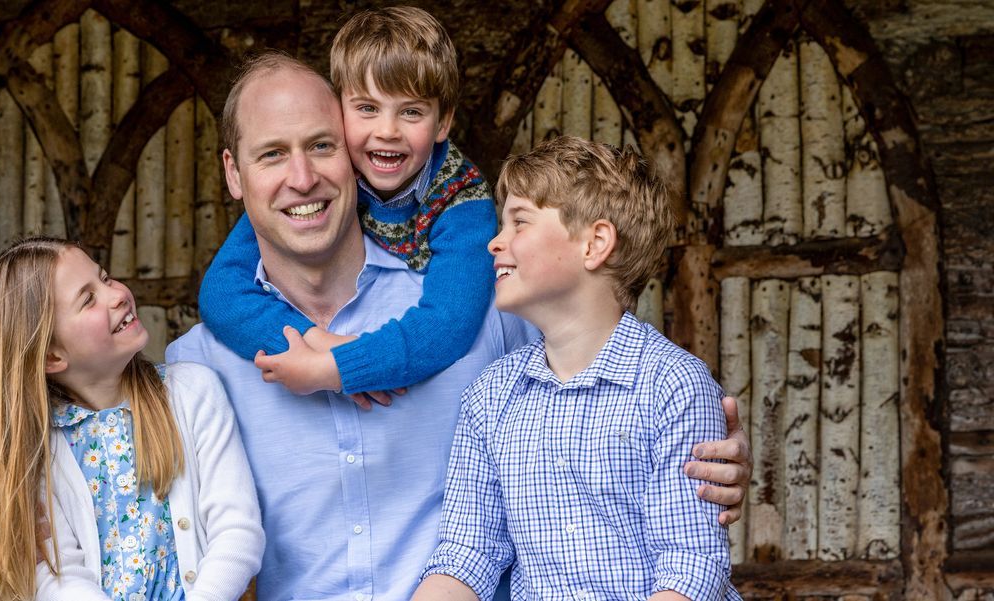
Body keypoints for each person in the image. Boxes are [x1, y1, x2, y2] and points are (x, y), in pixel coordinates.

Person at [165, 54, 751, 601]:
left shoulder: (484, 309)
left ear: (355, 152)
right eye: (271, 155)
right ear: (233, 174)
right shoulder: (196, 372)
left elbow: (600, 373)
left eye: (322, 146)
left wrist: (703, 461)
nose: (302, 176)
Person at [414, 137, 741, 600]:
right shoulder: (490, 396)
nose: (495, 241)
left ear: (595, 243)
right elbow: (468, 554)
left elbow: (691, 566)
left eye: (519, 222)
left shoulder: (673, 385)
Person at [0, 237, 263, 601]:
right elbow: (57, 574)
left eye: (106, 278)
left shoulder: (192, 393)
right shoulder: (36, 451)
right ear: (52, 357)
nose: (117, 295)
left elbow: (236, 529)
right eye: (88, 299)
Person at [197, 6, 496, 403]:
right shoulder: (335, 174)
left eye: (410, 112)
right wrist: (313, 341)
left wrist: (341, 367)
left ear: (442, 124)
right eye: (367, 109)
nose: (386, 132)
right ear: (339, 111)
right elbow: (220, 293)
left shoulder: (464, 201)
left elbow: (450, 324)